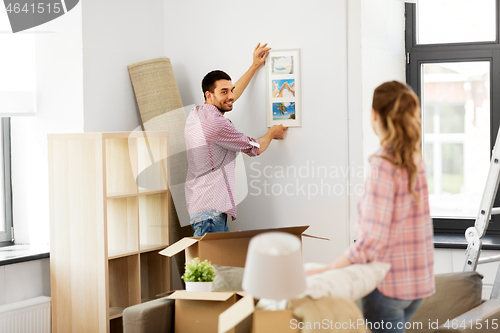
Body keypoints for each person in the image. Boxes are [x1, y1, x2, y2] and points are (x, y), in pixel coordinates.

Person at [308, 81, 435, 333]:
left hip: (387, 286)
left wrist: (329, 269)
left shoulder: (384, 166)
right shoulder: (414, 160)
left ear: (374, 114)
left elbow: (371, 240)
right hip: (417, 284)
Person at [185, 43, 288, 237]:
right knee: (213, 267)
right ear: (209, 95)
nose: (230, 96)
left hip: (203, 208)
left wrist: (254, 66)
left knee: (218, 267)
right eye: (224, 92)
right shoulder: (217, 125)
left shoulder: (197, 113)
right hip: (211, 213)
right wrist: (272, 133)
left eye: (230, 90)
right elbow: (255, 148)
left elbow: (229, 99)